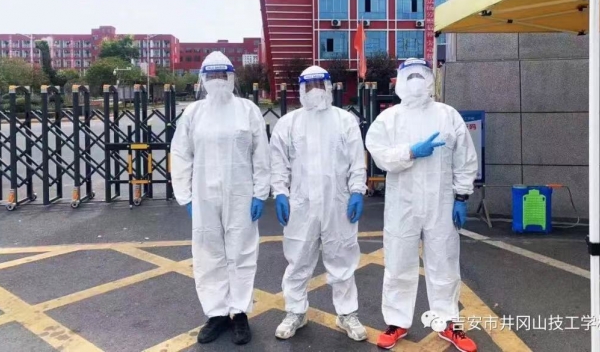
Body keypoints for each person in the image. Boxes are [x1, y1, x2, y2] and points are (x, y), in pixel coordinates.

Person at [365, 58, 478, 352]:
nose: (416, 80)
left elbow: (465, 159)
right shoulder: (389, 119)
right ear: (399, 80)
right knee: (398, 263)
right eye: (410, 75)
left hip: (441, 203)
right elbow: (378, 154)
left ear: (430, 79)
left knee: (445, 263)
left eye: (422, 74)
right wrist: (411, 152)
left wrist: (462, 197)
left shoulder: (448, 116)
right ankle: (397, 322)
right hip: (402, 204)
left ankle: (448, 321)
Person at [170, 51, 270, 346]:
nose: (217, 81)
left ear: (231, 77)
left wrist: (260, 193)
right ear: (203, 79)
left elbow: (261, 153)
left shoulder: (247, 110)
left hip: (241, 194)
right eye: (211, 76)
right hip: (204, 195)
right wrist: (186, 197)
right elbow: (181, 154)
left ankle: (239, 312)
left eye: (221, 75)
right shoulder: (193, 113)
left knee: (241, 253)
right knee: (208, 254)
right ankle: (216, 313)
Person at [270, 66, 368, 342]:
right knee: (298, 259)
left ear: (328, 87)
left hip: (338, 203)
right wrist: (280, 193)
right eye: (309, 85)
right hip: (301, 205)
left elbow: (356, 160)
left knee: (342, 257)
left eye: (319, 84)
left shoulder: (344, 120)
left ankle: (347, 313)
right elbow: (278, 163)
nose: (315, 90)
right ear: (301, 89)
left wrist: (357, 191)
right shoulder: (288, 123)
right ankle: (295, 311)